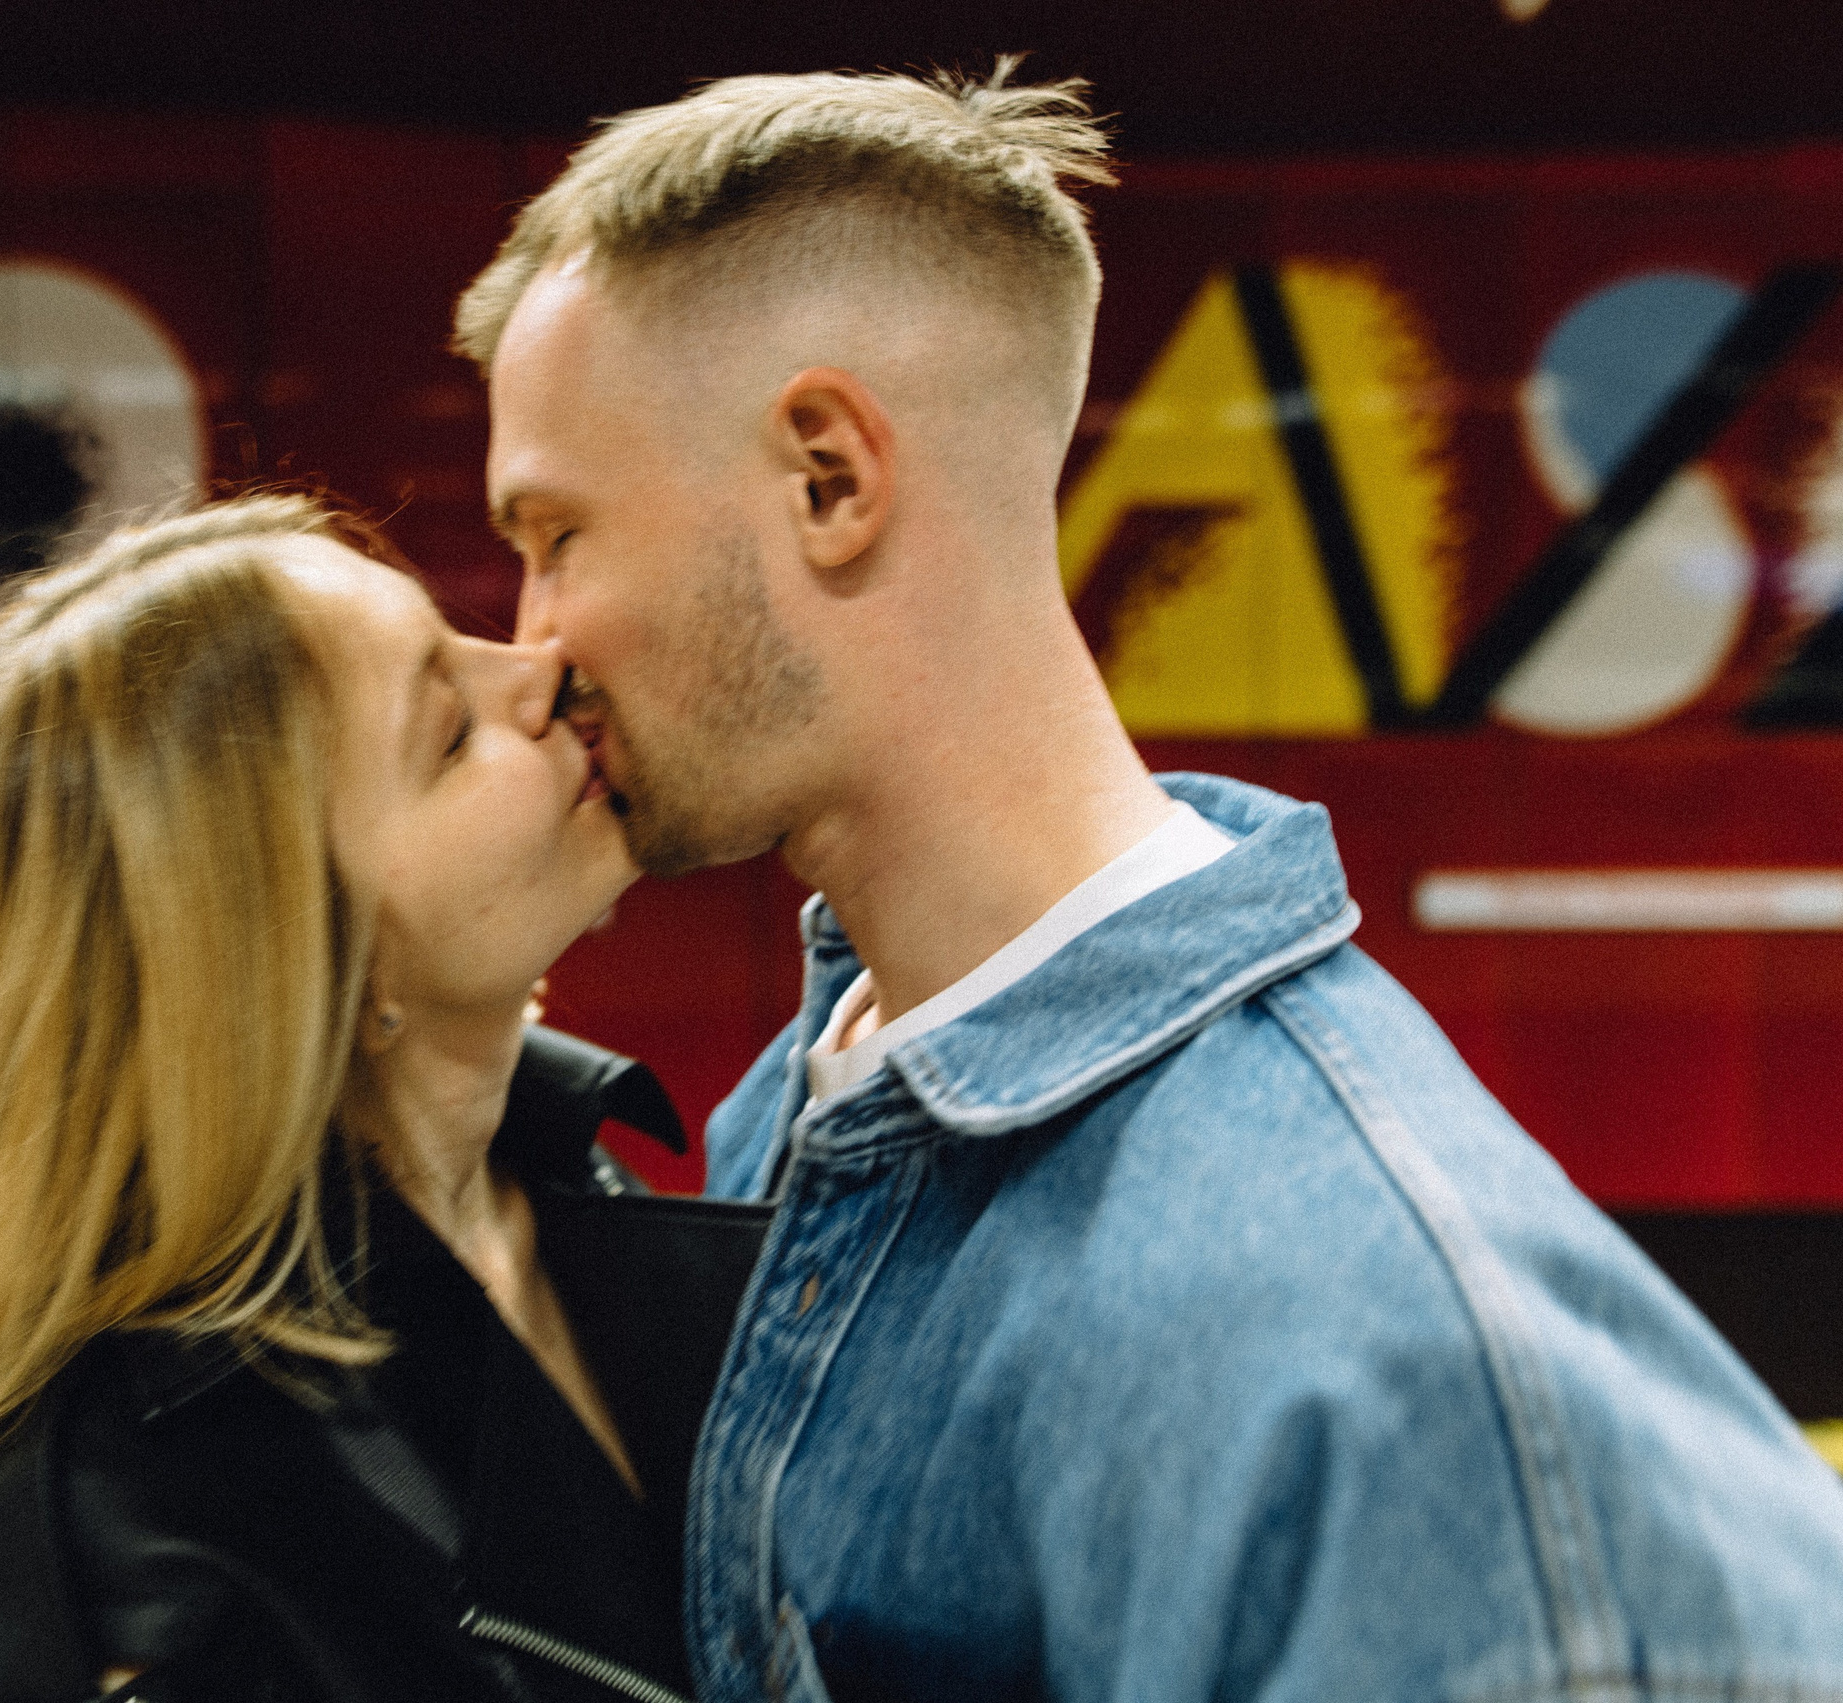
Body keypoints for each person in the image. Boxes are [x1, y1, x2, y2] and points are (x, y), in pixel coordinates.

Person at [453, 62, 1843, 1703]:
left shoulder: (1384, 1353)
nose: (534, 644)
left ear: (830, 476)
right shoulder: (790, 1117)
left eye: (556, 535)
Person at [0, 493, 762, 1703]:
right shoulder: (137, 1534)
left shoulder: (555, 1170)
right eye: (448, 730)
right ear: (293, 963)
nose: (540, 669)